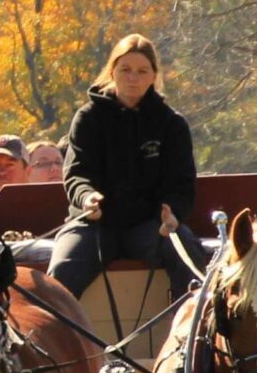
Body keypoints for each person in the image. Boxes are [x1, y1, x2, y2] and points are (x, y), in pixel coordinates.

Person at [48, 33, 203, 299]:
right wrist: (87, 199)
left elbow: (182, 183)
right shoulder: (88, 118)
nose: (133, 77)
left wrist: (173, 213)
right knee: (63, 269)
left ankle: (189, 336)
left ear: (153, 76)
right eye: (126, 70)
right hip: (94, 225)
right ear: (112, 72)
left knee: (189, 256)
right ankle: (56, 340)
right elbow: (76, 173)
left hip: (150, 226)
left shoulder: (171, 124)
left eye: (142, 71)